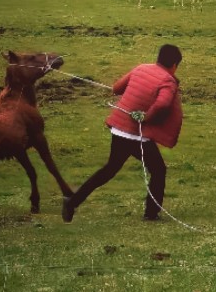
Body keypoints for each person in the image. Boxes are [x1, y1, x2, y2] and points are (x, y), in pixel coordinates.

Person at [62, 44, 183, 223]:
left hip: (119, 129)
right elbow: (163, 104)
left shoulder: (141, 68)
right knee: (158, 170)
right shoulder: (168, 81)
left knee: (110, 169)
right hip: (136, 134)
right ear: (174, 64)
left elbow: (117, 88)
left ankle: (72, 202)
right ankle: (151, 214)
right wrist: (146, 116)